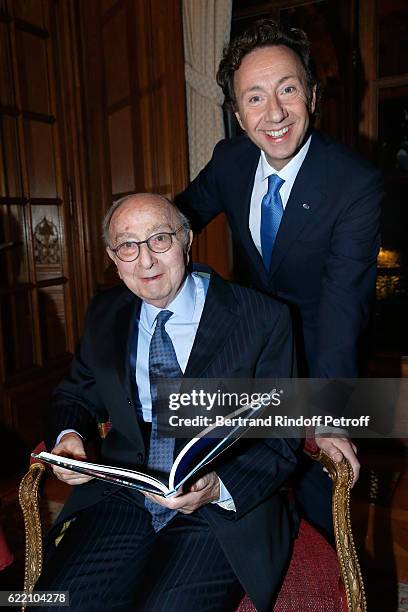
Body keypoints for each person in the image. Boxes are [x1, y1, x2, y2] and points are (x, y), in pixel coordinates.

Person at [33, 193, 300, 612]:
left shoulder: (262, 318)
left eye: (160, 239)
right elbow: (74, 394)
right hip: (125, 492)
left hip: (219, 509)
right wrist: (70, 437)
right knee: (54, 603)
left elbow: (283, 435)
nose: (146, 261)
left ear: (187, 239)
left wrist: (217, 488)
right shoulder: (106, 312)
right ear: (113, 257)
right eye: (128, 246)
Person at [177, 18, 383, 540]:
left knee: (320, 505)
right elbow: (179, 219)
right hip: (251, 354)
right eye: (254, 97)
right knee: (236, 495)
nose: (274, 114)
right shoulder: (230, 162)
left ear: (313, 96)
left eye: (288, 89)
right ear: (238, 114)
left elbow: (343, 309)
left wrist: (331, 412)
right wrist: (139, 234)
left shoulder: (355, 185)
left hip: (321, 355)